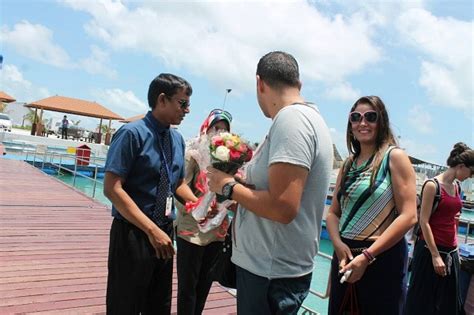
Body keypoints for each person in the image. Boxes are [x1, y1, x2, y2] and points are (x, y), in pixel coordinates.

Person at [207, 51, 333, 314]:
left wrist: (228, 186)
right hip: (275, 268)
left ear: (259, 83)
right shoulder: (309, 120)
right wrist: (243, 190)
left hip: (270, 274)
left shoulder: (291, 120)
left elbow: (283, 208)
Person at [103, 73, 198, 314]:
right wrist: (150, 230)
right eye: (183, 103)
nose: (187, 110)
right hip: (134, 233)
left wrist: (199, 204)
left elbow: (176, 183)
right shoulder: (132, 134)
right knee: (124, 304)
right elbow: (112, 188)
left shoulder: (176, 139)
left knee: (159, 304)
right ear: (162, 99)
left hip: (164, 234)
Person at [326, 96, 417, 315]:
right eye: (356, 117)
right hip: (345, 258)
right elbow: (333, 213)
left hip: (381, 258)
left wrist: (367, 257)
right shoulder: (348, 164)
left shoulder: (394, 157)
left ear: (381, 121)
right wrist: (337, 244)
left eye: (370, 117)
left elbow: (409, 215)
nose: (362, 123)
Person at [175, 108, 233, 315]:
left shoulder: (229, 161)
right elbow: (179, 185)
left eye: (224, 130)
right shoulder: (193, 152)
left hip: (216, 231)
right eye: (216, 128)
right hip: (191, 229)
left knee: (204, 285)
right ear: (206, 128)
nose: (219, 133)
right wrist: (199, 206)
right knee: (188, 287)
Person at [405, 143, 473, 315]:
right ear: (461, 166)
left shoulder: (456, 187)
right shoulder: (432, 186)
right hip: (430, 251)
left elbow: (450, 215)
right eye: (471, 172)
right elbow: (424, 220)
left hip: (451, 252)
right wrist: (435, 256)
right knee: (421, 302)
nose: (471, 176)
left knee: (448, 304)